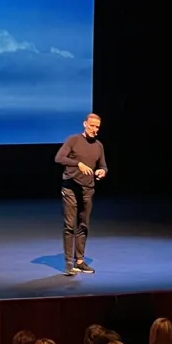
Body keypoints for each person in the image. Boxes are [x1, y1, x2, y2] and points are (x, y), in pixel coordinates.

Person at [55, 113, 108, 276]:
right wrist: (78, 163)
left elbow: (104, 166)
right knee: (70, 225)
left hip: (87, 189)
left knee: (83, 225)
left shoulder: (99, 145)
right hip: (70, 187)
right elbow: (59, 158)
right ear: (85, 124)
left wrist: (102, 171)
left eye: (97, 127)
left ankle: (80, 261)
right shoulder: (73, 140)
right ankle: (69, 264)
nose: (94, 129)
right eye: (92, 126)